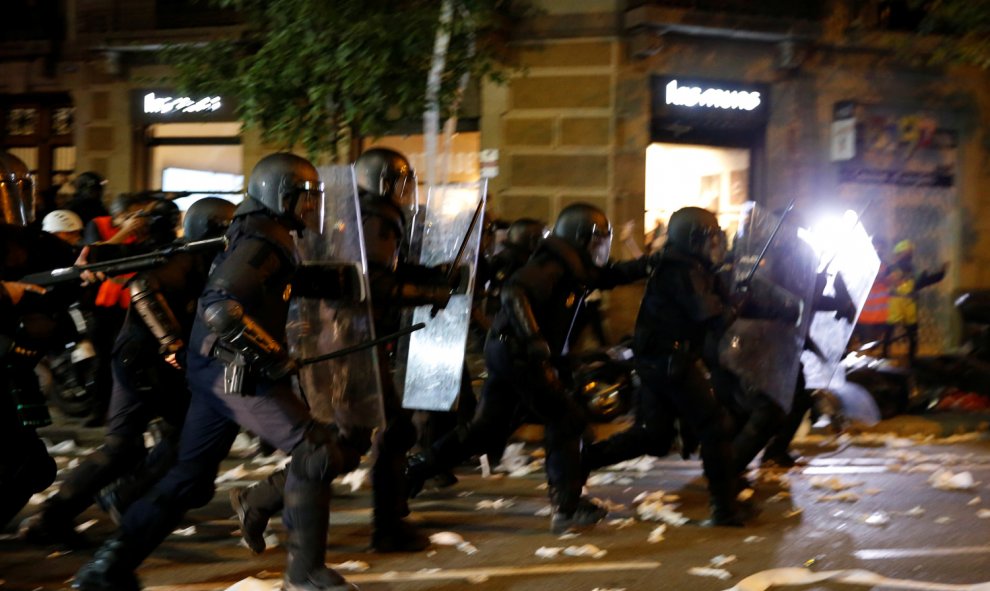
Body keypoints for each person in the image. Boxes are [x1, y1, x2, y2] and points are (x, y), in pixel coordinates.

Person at [72, 153, 363, 591]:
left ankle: (107, 566)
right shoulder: (261, 240)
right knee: (317, 450)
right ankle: (304, 573)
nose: (310, 208)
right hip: (236, 372)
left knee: (188, 479)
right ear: (279, 197)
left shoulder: (264, 234)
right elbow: (220, 309)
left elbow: (276, 286)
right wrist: (270, 357)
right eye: (302, 199)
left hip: (216, 371)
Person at [229, 147, 462, 554]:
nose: (407, 192)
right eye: (402, 183)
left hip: (351, 338)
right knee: (358, 438)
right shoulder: (374, 219)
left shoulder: (370, 214)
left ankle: (270, 501)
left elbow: (385, 271)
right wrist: (430, 290)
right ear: (384, 183)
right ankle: (374, 526)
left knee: (359, 438)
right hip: (348, 340)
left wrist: (433, 276)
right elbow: (372, 285)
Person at [407, 202, 652, 533]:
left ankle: (416, 470)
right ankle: (566, 508)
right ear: (579, 238)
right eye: (596, 241)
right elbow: (515, 291)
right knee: (566, 419)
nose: (600, 249)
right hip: (519, 354)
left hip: (510, 353)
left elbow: (607, 276)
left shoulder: (573, 265)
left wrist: (647, 264)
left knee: (486, 430)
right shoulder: (552, 263)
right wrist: (535, 338)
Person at [20, 198, 235, 547]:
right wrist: (172, 344)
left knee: (134, 445)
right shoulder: (186, 257)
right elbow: (144, 289)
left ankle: (66, 514)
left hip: (140, 358)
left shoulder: (191, 254)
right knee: (175, 437)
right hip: (144, 360)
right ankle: (111, 500)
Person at [583, 206, 747, 526]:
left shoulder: (690, 265)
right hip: (670, 361)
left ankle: (579, 461)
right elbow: (708, 313)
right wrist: (735, 304)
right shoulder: (681, 269)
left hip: (663, 361)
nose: (714, 245)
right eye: (709, 239)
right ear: (692, 239)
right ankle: (724, 507)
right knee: (714, 426)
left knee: (653, 436)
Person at [884, 239, 947, 363]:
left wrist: (940, 275)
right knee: (891, 329)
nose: (908, 255)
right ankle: (886, 354)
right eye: (905, 252)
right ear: (898, 254)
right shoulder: (892, 268)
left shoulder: (913, 270)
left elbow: (925, 281)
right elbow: (887, 280)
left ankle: (911, 357)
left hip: (909, 303)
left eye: (909, 253)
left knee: (911, 331)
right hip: (897, 302)